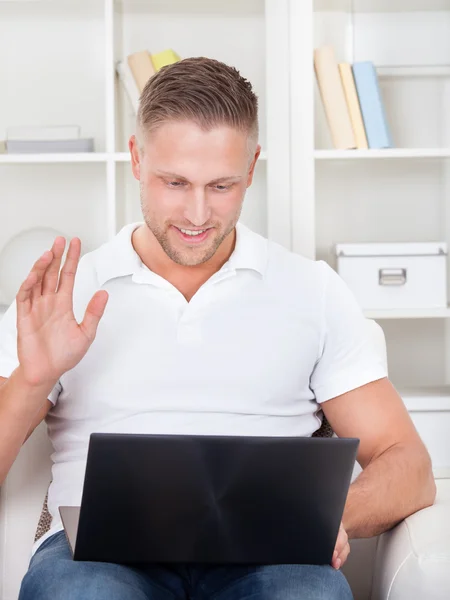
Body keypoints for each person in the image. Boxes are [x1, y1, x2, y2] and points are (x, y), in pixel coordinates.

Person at [0, 57, 435, 600]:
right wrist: (33, 379)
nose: (198, 213)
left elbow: (409, 463)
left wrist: (334, 516)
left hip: (273, 552)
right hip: (96, 558)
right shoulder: (67, 295)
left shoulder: (311, 291)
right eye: (175, 182)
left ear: (252, 168)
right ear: (136, 159)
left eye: (222, 185)